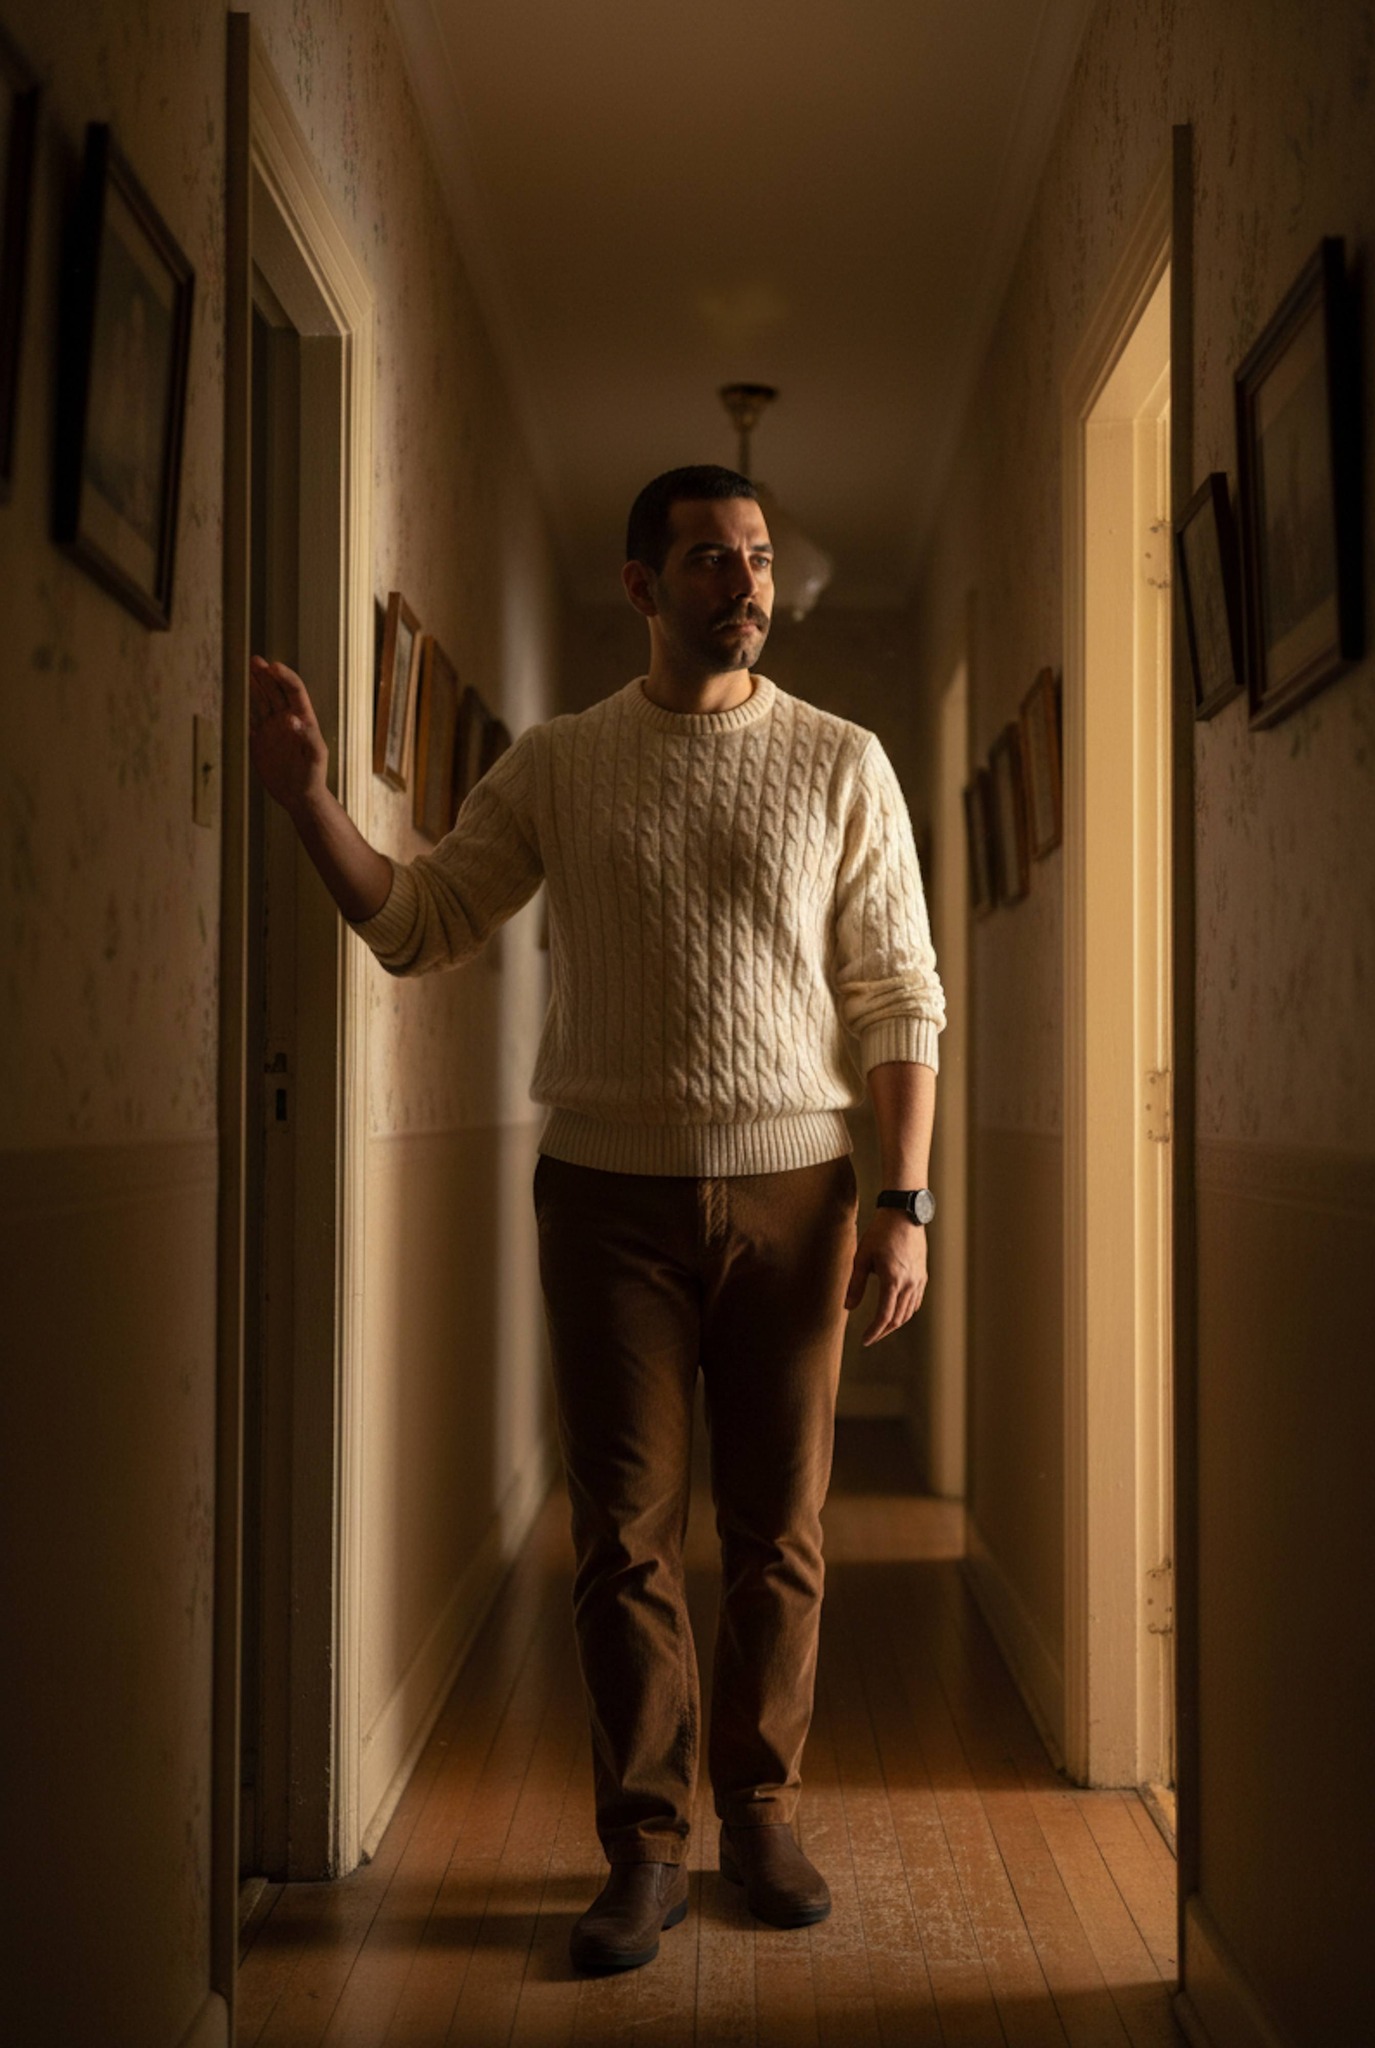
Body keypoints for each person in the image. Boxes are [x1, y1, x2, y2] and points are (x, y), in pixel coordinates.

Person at [247, 463, 944, 1973]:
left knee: (781, 1531)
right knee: (621, 1538)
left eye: (756, 558)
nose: (743, 584)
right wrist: (308, 800)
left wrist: (904, 1204)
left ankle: (761, 1813)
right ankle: (644, 1846)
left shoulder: (843, 760)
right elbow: (422, 923)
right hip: (605, 1197)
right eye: (708, 560)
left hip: (800, 1189)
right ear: (642, 588)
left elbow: (901, 994)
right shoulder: (563, 763)